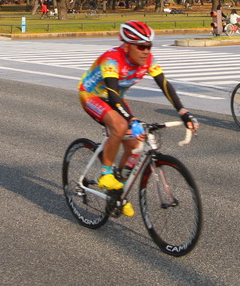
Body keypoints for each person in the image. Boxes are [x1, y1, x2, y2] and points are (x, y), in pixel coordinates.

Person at [77, 21, 199, 217]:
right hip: (93, 95)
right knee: (120, 126)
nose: (146, 51)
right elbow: (112, 93)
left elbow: (164, 85)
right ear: (127, 46)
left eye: (149, 46)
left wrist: (182, 111)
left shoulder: (148, 60)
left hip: (115, 98)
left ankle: (117, 193)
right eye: (141, 46)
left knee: (135, 144)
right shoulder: (111, 59)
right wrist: (131, 121)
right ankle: (106, 174)